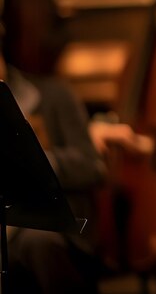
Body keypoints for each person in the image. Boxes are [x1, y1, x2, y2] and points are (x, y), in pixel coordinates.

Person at [1, 29, 107, 294]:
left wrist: (31, 163)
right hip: (8, 228)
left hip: (54, 226)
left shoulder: (55, 95)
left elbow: (90, 165)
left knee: (38, 243)